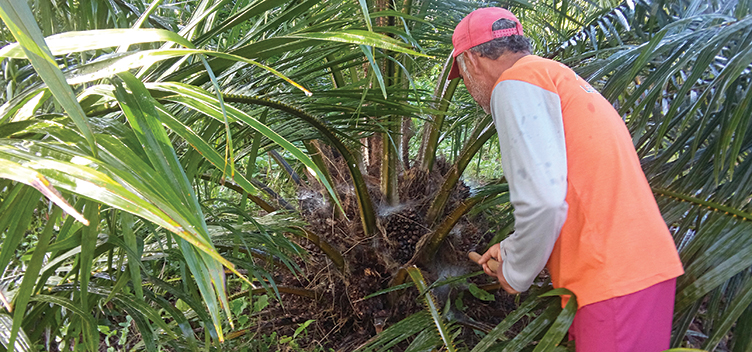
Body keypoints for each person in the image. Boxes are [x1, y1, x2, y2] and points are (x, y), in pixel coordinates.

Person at [450, 7, 685, 352]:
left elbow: (544, 201)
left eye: (463, 75)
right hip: (638, 271)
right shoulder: (558, 77)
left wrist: (515, 271)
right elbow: (577, 188)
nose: (469, 88)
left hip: (610, 281)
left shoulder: (513, 85)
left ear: (471, 60)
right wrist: (513, 247)